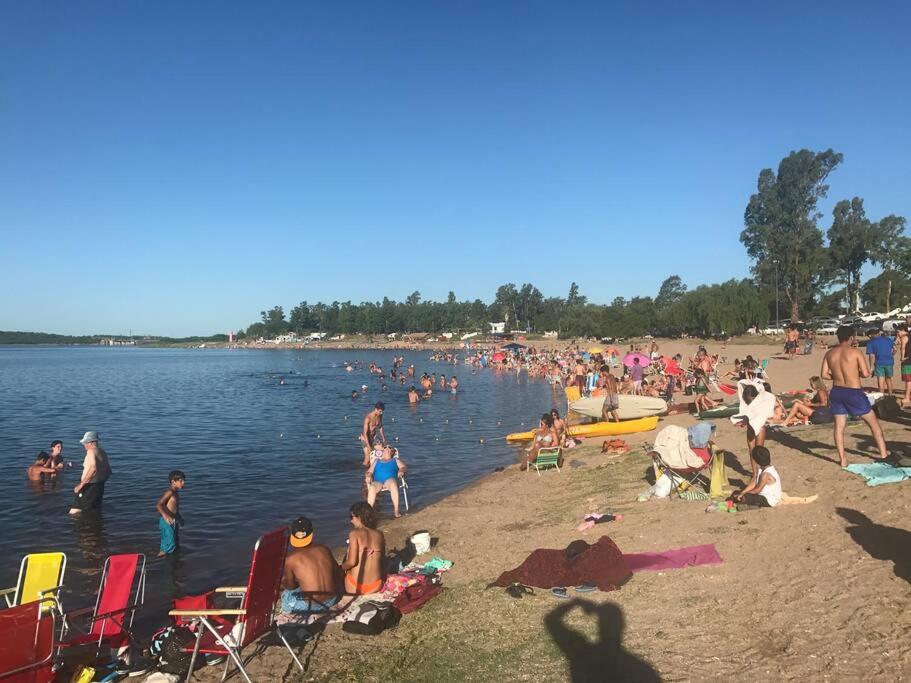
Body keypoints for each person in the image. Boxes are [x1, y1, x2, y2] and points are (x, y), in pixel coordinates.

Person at [822, 326, 891, 467]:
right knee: (874, 424)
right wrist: (854, 373)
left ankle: (842, 459)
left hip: (837, 391)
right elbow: (866, 373)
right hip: (853, 392)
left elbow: (823, 374)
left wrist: (837, 375)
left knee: (839, 427)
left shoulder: (829, 353)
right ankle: (883, 454)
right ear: (851, 338)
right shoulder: (855, 352)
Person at [280, 516, 342, 614]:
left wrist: (286, 580)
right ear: (311, 534)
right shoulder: (324, 549)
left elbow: (290, 587)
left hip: (312, 606)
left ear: (293, 536)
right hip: (333, 599)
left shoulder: (290, 559)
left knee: (286, 596)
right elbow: (338, 574)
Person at [340, 502, 385, 595]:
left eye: (351, 517)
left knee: (345, 565)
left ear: (359, 517)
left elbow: (352, 562)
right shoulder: (379, 534)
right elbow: (382, 560)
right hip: (376, 586)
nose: (351, 521)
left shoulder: (354, 534)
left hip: (355, 587)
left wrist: (338, 569)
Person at [69, 431, 112, 515]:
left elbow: (93, 467)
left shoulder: (91, 452)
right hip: (99, 486)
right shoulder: (102, 452)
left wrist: (81, 485)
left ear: (92, 442)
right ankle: (95, 526)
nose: (84, 445)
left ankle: (79, 527)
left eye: (85, 442)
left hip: (89, 486)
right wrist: (100, 482)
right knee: (94, 510)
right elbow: (109, 471)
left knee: (74, 511)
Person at [365, 446, 406, 517]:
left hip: (389, 480)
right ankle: (369, 512)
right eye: (384, 448)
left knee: (393, 484)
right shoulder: (376, 461)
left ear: (391, 452)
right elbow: (369, 471)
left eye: (387, 448)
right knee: (372, 487)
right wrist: (368, 475)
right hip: (378, 482)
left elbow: (403, 467)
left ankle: (396, 510)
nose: (385, 448)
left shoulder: (395, 460)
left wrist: (401, 471)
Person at [156, 470, 185, 556]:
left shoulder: (176, 493)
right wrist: (165, 516)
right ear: (173, 482)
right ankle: (159, 561)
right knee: (168, 544)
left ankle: (173, 560)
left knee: (175, 542)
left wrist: (179, 518)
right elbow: (159, 505)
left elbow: (174, 509)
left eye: (184, 480)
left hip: (173, 520)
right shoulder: (170, 492)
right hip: (167, 521)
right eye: (181, 481)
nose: (183, 483)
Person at [865, 328, 896, 396]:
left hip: (879, 363)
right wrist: (891, 355)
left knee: (880, 380)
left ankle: (881, 397)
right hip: (889, 362)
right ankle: (890, 396)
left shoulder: (871, 342)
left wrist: (871, 367)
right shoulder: (887, 339)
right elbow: (895, 349)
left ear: (870, 335)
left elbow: (871, 355)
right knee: (888, 380)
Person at [360, 402, 387, 466]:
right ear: (376, 409)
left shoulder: (380, 415)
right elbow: (365, 433)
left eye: (382, 411)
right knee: (368, 457)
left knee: (383, 450)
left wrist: (383, 438)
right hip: (365, 438)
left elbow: (380, 426)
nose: (382, 413)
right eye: (380, 411)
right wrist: (368, 446)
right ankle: (364, 471)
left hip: (373, 437)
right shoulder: (368, 418)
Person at [898, 323, 911, 408]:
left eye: (898, 331)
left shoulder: (904, 337)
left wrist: (902, 358)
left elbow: (903, 349)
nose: (898, 333)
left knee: (908, 380)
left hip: (907, 360)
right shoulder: (909, 336)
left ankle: (907, 397)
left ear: (903, 330)